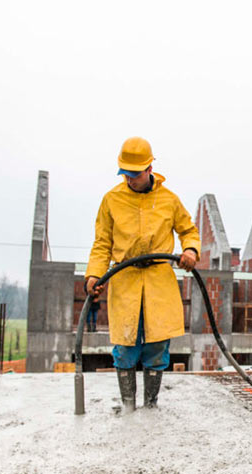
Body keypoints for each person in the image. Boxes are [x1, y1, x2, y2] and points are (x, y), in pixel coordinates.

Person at [85, 136, 200, 411]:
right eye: (125, 173)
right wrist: (93, 275)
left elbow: (188, 230)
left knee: (157, 346)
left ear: (149, 168)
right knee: (125, 347)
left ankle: (150, 407)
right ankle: (128, 408)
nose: (129, 179)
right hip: (125, 281)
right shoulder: (111, 200)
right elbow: (102, 243)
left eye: (134, 173)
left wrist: (191, 250)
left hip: (159, 281)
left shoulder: (169, 200)